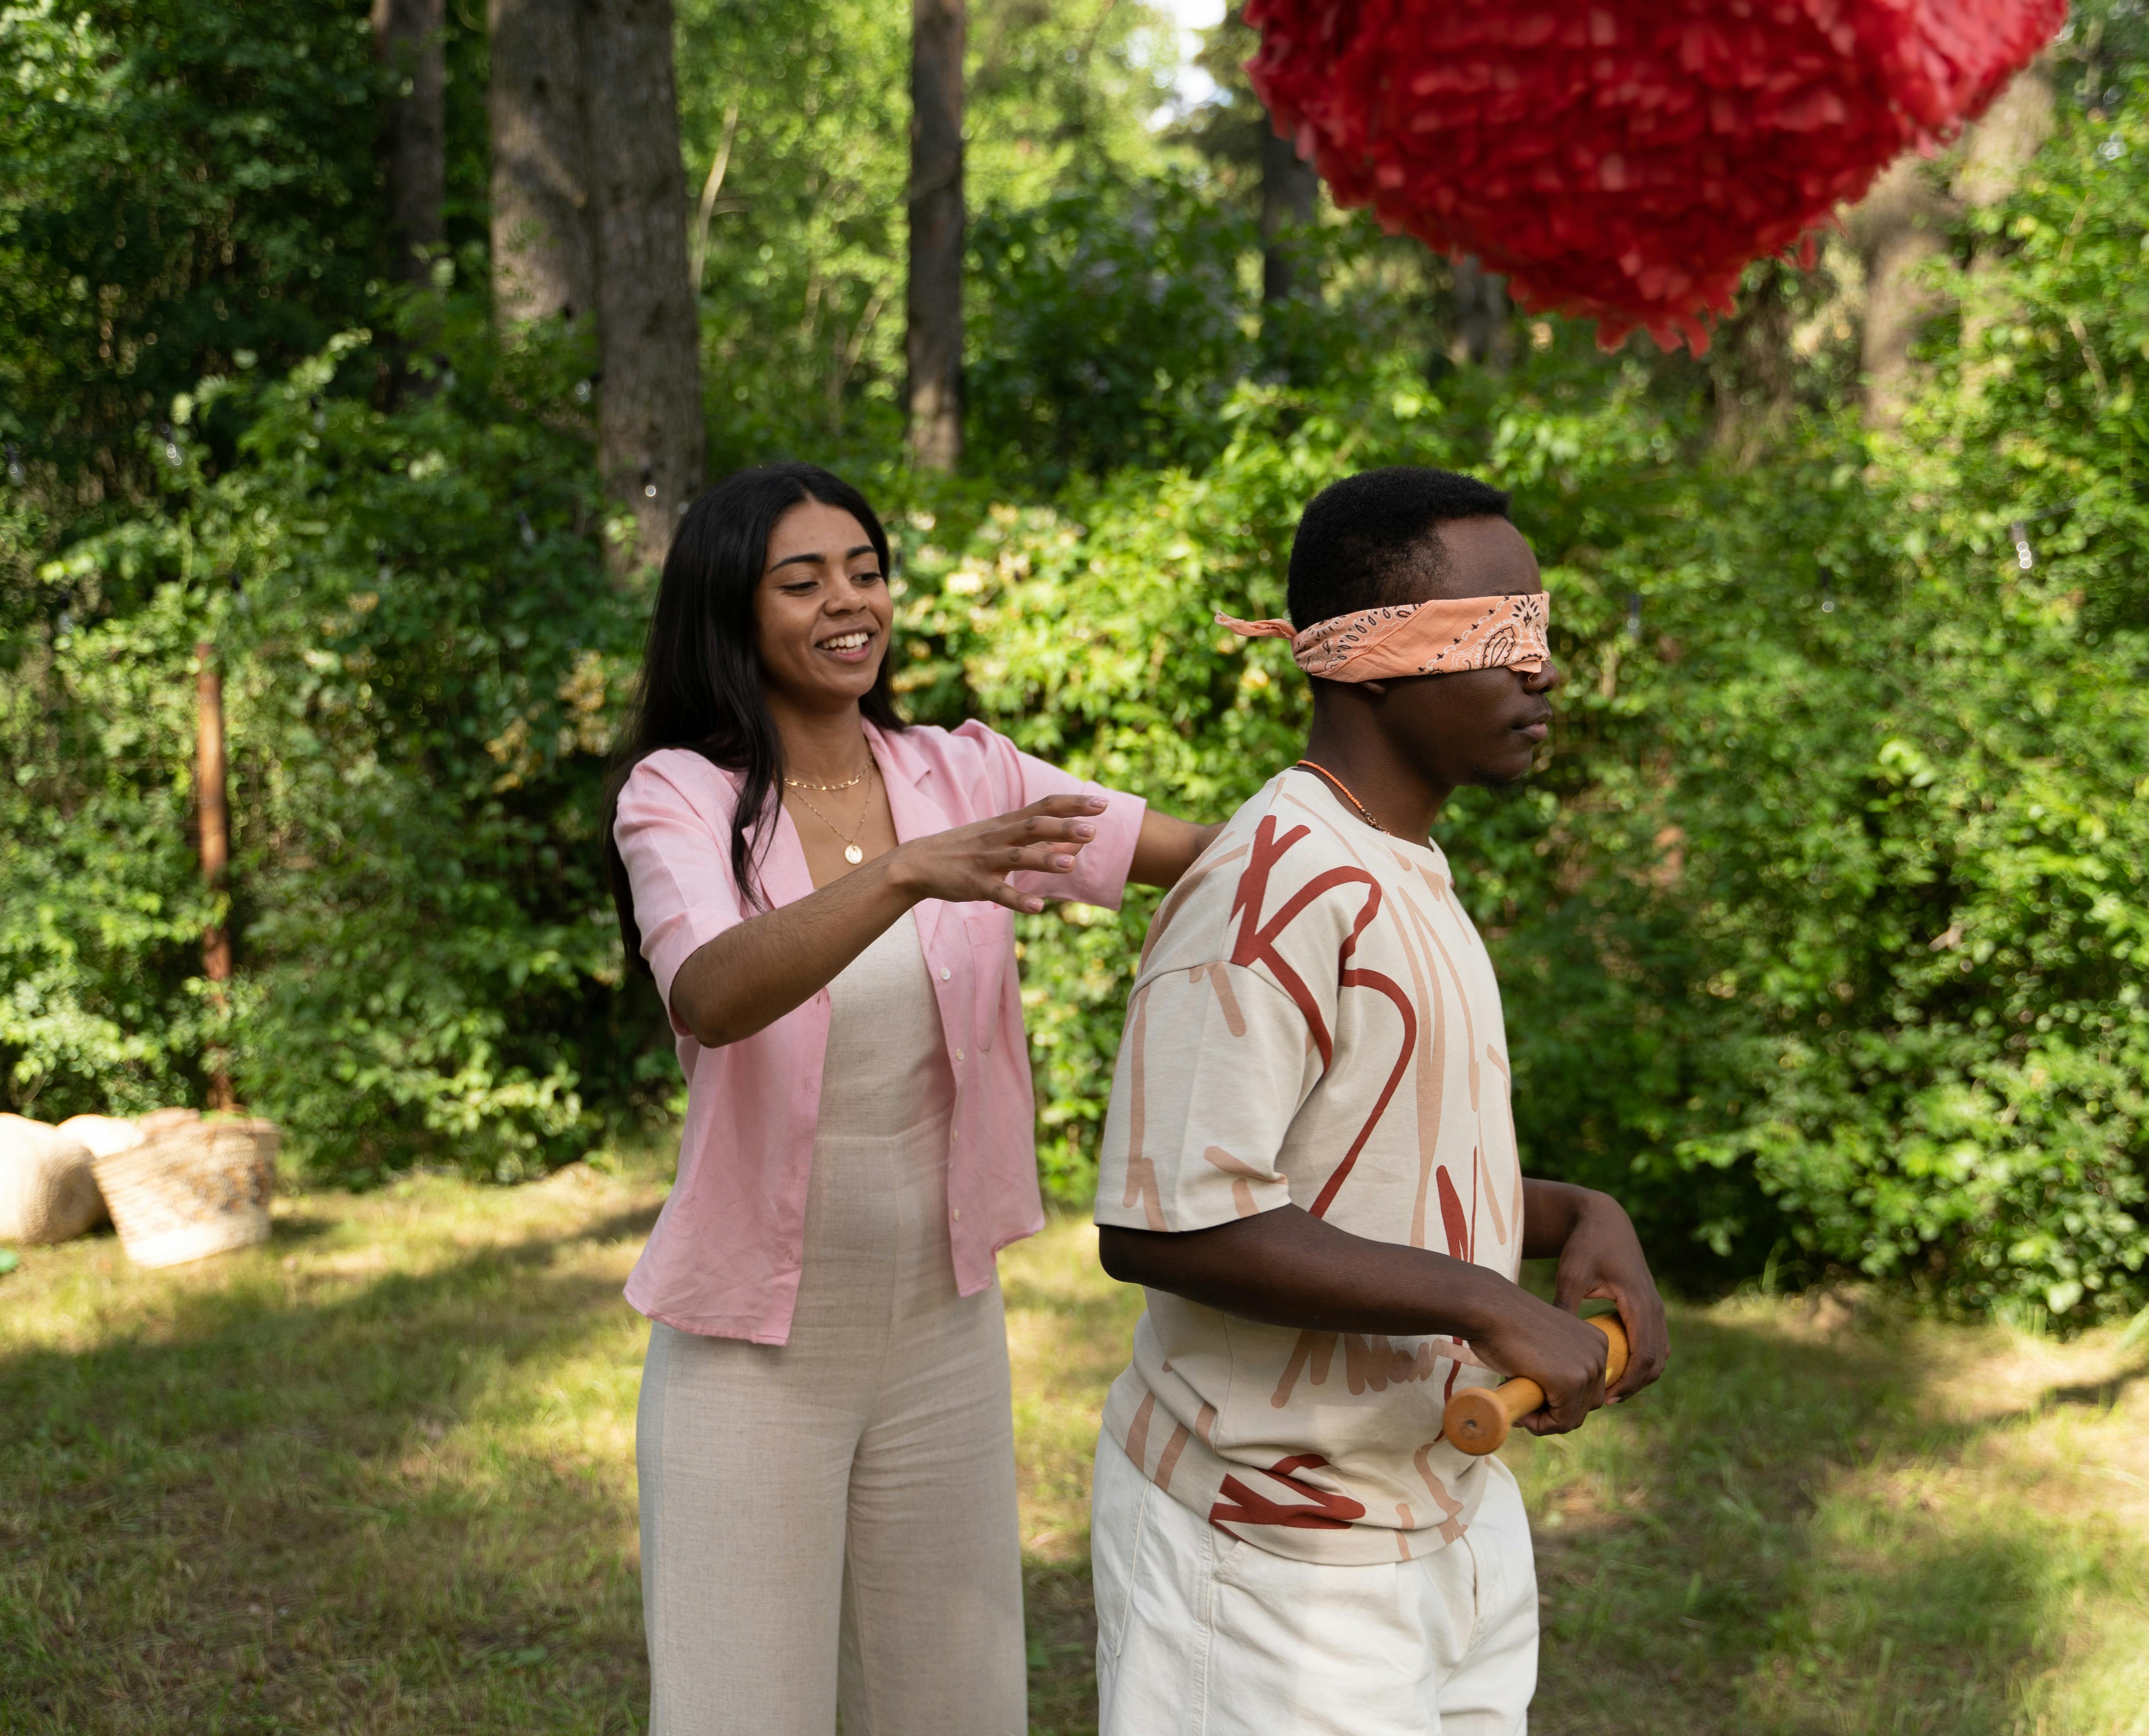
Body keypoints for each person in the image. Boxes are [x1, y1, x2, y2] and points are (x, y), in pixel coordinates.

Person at [608, 460, 1219, 1736]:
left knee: (958, 1704)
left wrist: (1355, 813)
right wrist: (901, 876)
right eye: (803, 579)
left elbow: (1197, 861)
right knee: (738, 1710)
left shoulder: (967, 774)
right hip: (751, 1352)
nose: (850, 602)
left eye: (867, 570)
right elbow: (711, 993)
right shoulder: (683, 794)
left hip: (943, 1329)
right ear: (732, 607)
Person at [1088, 466, 1671, 1734]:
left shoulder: (1399, 863)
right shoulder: (1270, 892)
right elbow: (1167, 1222)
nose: (1544, 671)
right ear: (1367, 663)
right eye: (1498, 638)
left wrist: (1573, 1216)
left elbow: (1367, 1171)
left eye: (1543, 633)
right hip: (1269, 1569)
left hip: (1442, 1521)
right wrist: (1480, 1299)